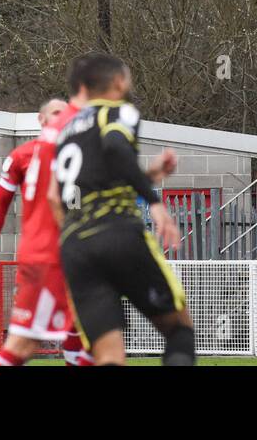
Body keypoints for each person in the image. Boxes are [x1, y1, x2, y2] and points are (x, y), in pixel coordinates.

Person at [48, 52, 191, 366]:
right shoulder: (118, 111)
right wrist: (154, 202)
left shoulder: (66, 131)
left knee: (109, 357)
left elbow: (58, 197)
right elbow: (115, 146)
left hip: (75, 246)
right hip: (116, 232)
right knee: (179, 330)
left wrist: (149, 175)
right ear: (118, 81)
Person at [0, 80, 91, 367]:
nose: (62, 119)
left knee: (85, 332)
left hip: (72, 257)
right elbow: (1, 205)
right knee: (23, 343)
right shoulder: (22, 156)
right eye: (56, 113)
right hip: (46, 257)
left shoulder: (77, 156)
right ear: (41, 119)